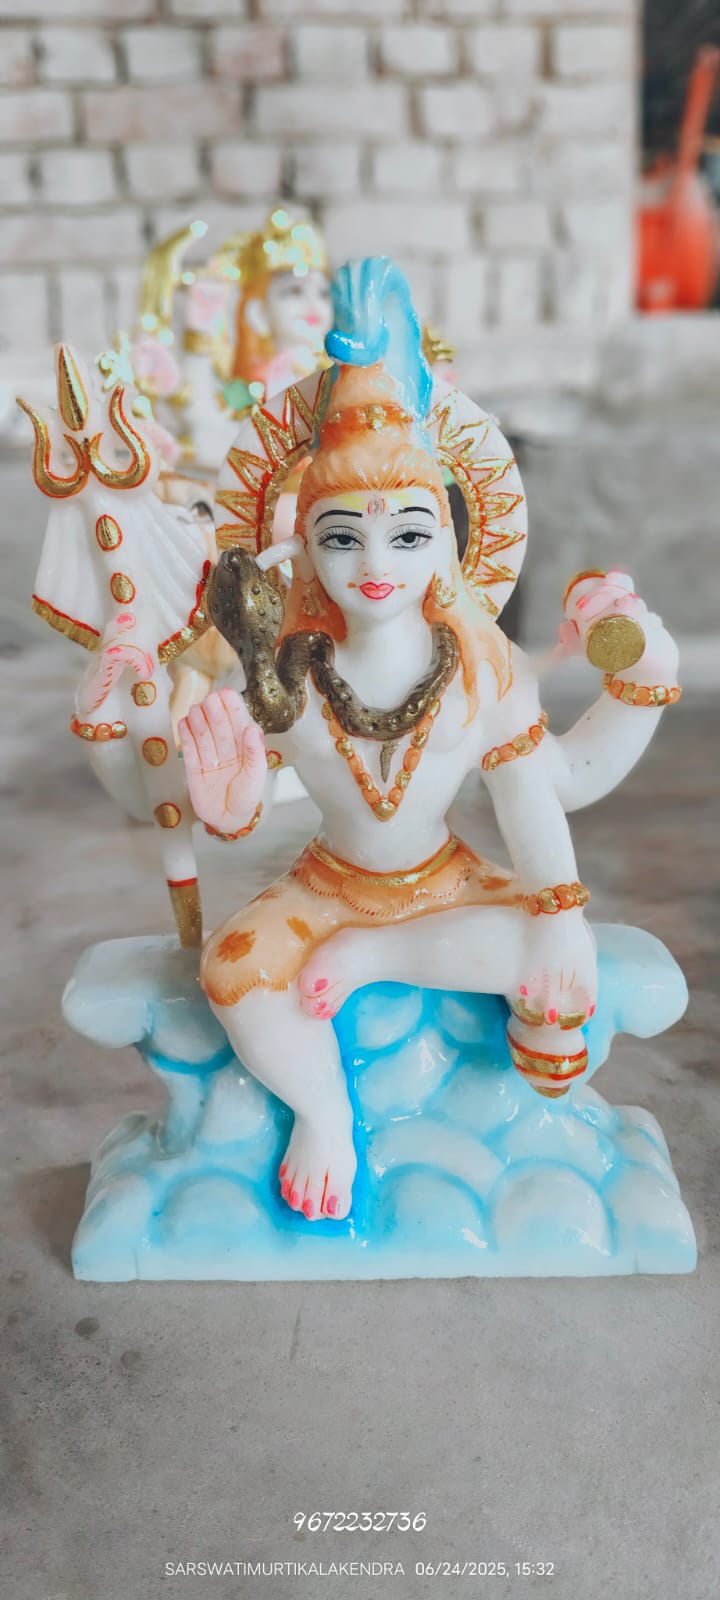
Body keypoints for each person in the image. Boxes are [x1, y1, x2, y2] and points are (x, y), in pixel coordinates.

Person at [179, 350, 680, 1224]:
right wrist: (231, 810)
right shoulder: (289, 677)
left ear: (445, 543)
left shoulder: (483, 674)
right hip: (328, 886)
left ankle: (376, 958)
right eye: (343, 538)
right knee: (230, 970)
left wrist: (644, 681)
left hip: (448, 884)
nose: (376, 562)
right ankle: (325, 1118)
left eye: (407, 535)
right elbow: (247, 791)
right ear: (304, 550)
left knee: (559, 959)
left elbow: (553, 787)